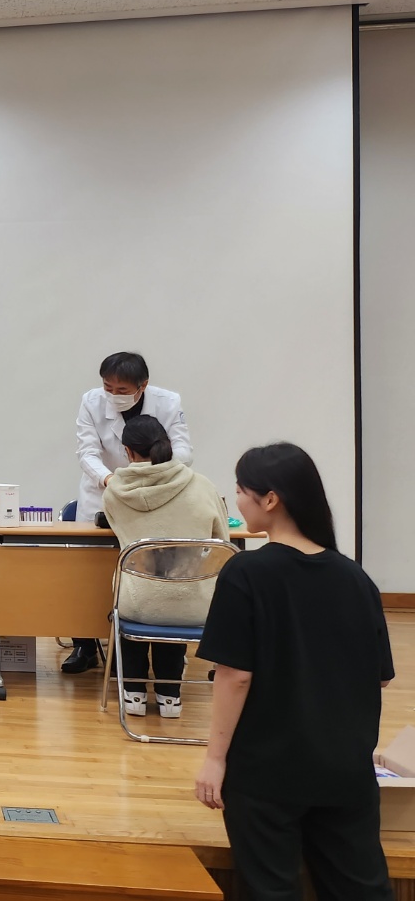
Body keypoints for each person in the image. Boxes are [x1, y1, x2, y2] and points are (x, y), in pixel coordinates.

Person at [195, 443, 394, 901]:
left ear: (270, 499)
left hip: (267, 771)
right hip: (346, 768)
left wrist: (215, 759)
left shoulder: (246, 572)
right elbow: (380, 676)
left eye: (240, 491)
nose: (236, 501)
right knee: (362, 890)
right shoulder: (356, 578)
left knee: (271, 890)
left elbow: (235, 676)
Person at [67, 351, 192, 673]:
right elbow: (87, 452)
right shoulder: (91, 401)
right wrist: (111, 480)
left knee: (150, 570)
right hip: (104, 493)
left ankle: (155, 646)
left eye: (122, 390)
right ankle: (84, 646)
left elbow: (183, 451)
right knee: (87, 574)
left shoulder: (168, 402)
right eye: (108, 387)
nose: (113, 395)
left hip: (154, 495)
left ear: (142, 385)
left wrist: (149, 475)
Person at [102, 415, 228, 718]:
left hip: (137, 603)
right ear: (168, 445)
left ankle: (133, 692)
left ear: (128, 452)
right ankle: (170, 695)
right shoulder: (202, 486)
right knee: (178, 593)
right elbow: (223, 543)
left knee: (135, 595)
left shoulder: (115, 492)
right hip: (195, 606)